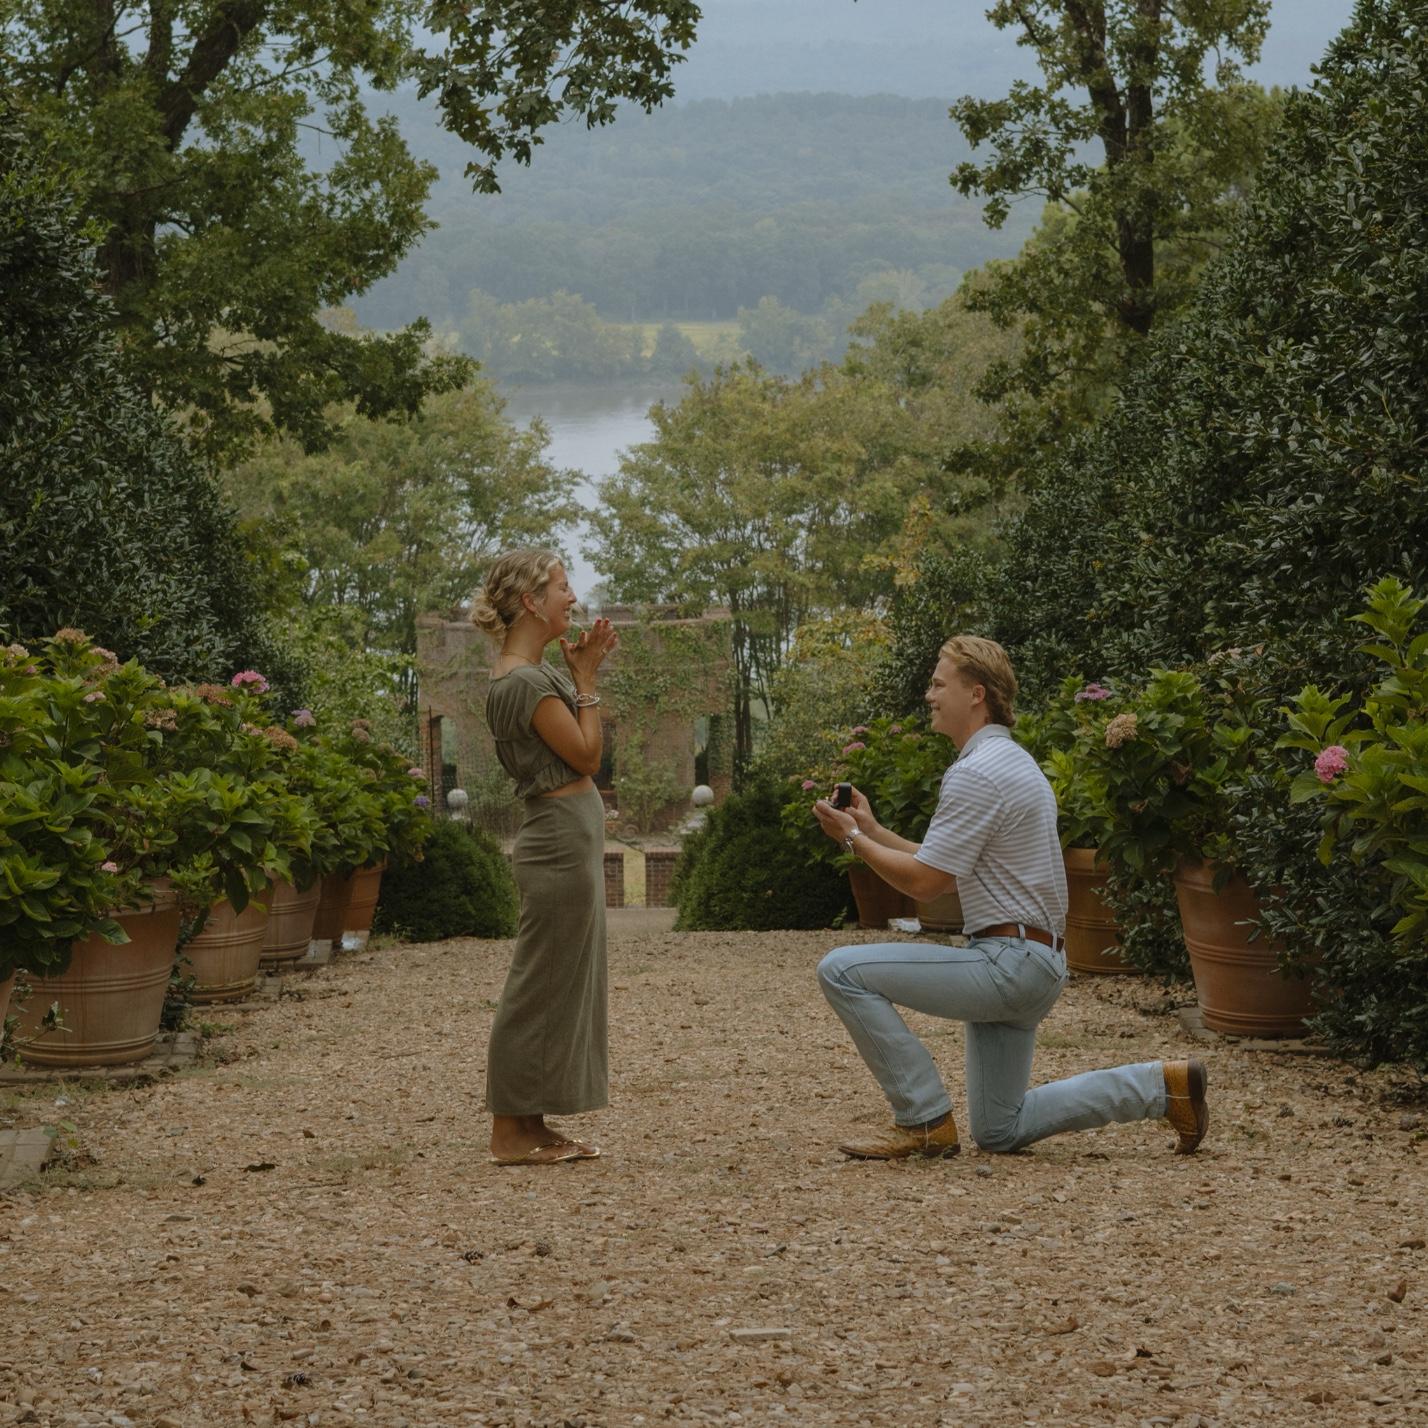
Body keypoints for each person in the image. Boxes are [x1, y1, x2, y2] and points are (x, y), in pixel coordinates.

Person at [812, 635, 1208, 1161]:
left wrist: (851, 840)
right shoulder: (1010, 761)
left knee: (841, 970)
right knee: (1000, 1128)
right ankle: (1161, 1087)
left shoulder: (976, 773)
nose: (929, 695)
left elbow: (927, 884)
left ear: (976, 693)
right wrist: (871, 830)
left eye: (938, 684)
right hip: (1032, 961)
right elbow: (941, 862)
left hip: (1008, 963)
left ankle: (923, 1119)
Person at [473, 549, 619, 1166]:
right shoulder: (524, 682)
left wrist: (578, 673)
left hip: (566, 837)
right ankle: (509, 1131)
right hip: (557, 841)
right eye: (562, 586)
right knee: (540, 982)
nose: (573, 596)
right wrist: (585, 680)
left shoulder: (529, 674)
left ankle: (530, 1122)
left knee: (559, 981)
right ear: (531, 601)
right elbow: (588, 756)